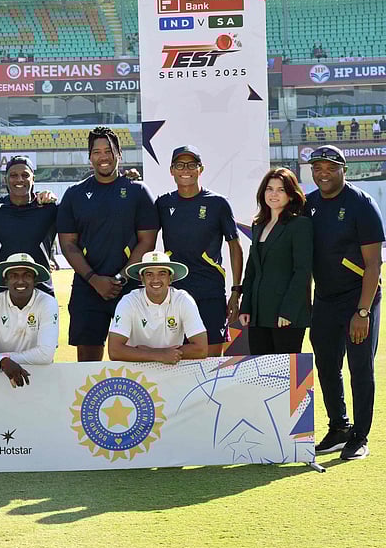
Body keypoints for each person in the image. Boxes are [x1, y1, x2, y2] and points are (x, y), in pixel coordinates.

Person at [305, 146, 383, 460]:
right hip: (324, 299)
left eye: (330, 167)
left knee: (360, 369)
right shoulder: (308, 204)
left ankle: (359, 437)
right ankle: (339, 427)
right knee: (325, 365)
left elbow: (374, 264)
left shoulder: (362, 204)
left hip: (358, 300)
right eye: (317, 167)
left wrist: (363, 311)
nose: (323, 173)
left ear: (343, 169)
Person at [57, 127, 158, 362]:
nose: (103, 157)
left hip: (130, 288)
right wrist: (94, 279)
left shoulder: (138, 191)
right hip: (88, 287)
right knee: (88, 361)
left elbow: (147, 240)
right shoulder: (75, 194)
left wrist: (121, 277)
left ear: (119, 154)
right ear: (90, 156)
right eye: (97, 151)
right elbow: (68, 244)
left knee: (136, 356)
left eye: (108, 151)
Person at [155, 146, 244, 357]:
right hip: (174, 292)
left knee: (212, 355)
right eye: (180, 165)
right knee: (176, 355)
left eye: (191, 165)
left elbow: (235, 246)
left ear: (200, 169)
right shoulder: (163, 203)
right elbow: (146, 238)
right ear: (171, 170)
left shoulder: (218, 203)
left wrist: (236, 291)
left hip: (210, 290)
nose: (185, 170)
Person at [238, 168, 312, 356]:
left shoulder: (300, 225)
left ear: (291, 194)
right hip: (257, 313)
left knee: (286, 377)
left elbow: (302, 271)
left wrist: (288, 311)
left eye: (281, 189)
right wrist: (246, 305)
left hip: (286, 315)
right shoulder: (258, 225)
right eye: (269, 188)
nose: (274, 194)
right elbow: (252, 269)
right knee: (263, 377)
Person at [0, 253, 59, 388]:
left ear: (35, 280)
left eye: (27, 275)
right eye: (13, 276)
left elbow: (45, 354)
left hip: (39, 378)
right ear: (5, 281)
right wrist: (2, 362)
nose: (20, 281)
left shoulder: (47, 302)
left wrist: (3, 360)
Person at [0, 155, 57, 298]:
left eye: (25, 175)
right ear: (5, 180)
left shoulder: (49, 208)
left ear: (33, 179)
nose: (19, 179)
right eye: (13, 175)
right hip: (1, 291)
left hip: (42, 291)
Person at [108, 251, 208, 363]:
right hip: (135, 372)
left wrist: (158, 354)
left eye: (162, 274)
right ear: (142, 278)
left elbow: (201, 349)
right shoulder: (129, 301)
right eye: (149, 274)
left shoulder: (183, 299)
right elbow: (114, 351)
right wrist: (160, 355)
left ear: (170, 278)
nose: (155, 280)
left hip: (173, 369)